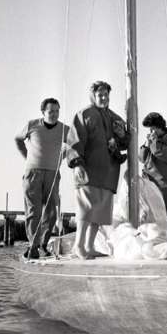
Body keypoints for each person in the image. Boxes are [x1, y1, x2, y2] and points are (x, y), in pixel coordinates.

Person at [66, 80, 130, 259]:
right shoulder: (85, 114)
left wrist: (122, 135)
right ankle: (79, 246)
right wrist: (77, 163)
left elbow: (125, 143)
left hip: (108, 172)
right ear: (93, 96)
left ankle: (89, 245)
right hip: (88, 170)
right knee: (86, 209)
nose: (103, 98)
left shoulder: (115, 117)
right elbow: (74, 140)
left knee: (100, 212)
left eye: (106, 94)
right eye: (100, 95)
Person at [15, 98, 69, 259]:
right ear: (43, 112)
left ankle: (43, 245)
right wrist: (27, 156)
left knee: (51, 212)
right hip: (33, 174)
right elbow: (18, 139)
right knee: (34, 211)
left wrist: (62, 156)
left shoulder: (64, 129)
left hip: (53, 174)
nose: (54, 114)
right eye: (51, 111)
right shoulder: (32, 125)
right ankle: (33, 246)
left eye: (57, 111)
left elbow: (75, 143)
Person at [139, 112, 167, 230]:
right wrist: (146, 146)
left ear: (158, 127)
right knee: (151, 215)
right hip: (151, 181)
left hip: (166, 183)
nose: (151, 132)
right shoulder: (153, 139)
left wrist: (153, 142)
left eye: (152, 128)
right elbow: (141, 158)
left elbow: (165, 155)